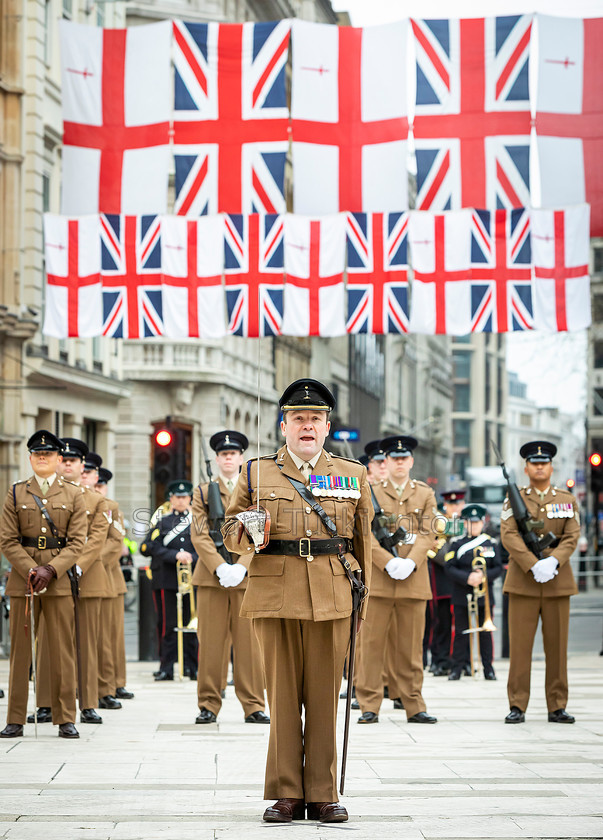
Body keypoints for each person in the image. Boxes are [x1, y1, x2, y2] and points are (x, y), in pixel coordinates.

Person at [224, 378, 372, 824]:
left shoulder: (354, 474)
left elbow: (362, 543)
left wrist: (360, 608)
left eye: (315, 419)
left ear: (327, 427)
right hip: (273, 591)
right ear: (283, 425)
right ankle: (287, 792)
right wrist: (247, 528)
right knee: (283, 696)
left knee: (326, 696)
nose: (307, 426)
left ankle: (324, 794)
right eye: (298, 418)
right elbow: (229, 536)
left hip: (332, 594)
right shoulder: (254, 472)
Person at [0, 431, 87, 739]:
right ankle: (15, 719)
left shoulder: (74, 493)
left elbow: (78, 542)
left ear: (58, 460)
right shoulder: (16, 492)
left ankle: (65, 717)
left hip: (59, 581)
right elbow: (7, 540)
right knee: (20, 653)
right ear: (30, 459)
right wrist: (31, 569)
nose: (42, 458)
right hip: (24, 580)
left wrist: (51, 569)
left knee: (62, 650)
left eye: (48, 455)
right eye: (37, 455)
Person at [355, 434, 438, 725]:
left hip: (413, 582)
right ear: (385, 462)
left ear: (411, 462)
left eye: (404, 459)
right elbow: (363, 534)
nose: (399, 463)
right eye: (394, 459)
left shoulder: (425, 494)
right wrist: (387, 561)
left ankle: (414, 704)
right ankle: (369, 704)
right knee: (371, 647)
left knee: (411, 649)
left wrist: (410, 562)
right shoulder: (371, 491)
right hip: (380, 580)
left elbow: (429, 532)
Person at [190, 430, 268, 725]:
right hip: (212, 579)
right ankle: (209, 704)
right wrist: (219, 567)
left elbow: (259, 534)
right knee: (211, 644)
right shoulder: (202, 492)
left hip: (246, 579)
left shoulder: (254, 492)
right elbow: (199, 535)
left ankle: (254, 705)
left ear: (241, 459)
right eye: (223, 455)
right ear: (216, 459)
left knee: (249, 645)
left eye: (233, 454)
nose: (228, 459)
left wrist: (242, 566)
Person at [500, 440, 580, 724]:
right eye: (534, 463)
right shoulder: (514, 498)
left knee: (557, 648)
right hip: (524, 581)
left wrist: (553, 561)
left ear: (551, 466)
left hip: (558, 582)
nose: (539, 466)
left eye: (543, 462)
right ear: (526, 467)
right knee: (520, 648)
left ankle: (557, 705)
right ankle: (517, 705)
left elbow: (572, 535)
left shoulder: (566, 499)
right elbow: (508, 534)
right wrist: (533, 564)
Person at [147, 480, 198, 681]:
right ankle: (166, 667)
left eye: (184, 497)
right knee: (168, 624)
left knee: (192, 623)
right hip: (168, 579)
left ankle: (192, 666)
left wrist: (192, 557)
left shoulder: (198, 522)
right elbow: (151, 546)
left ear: (190, 499)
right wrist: (175, 555)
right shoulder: (162, 522)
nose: (181, 500)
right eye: (177, 497)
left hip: (191, 579)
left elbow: (206, 547)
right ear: (171, 499)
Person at [445, 504, 502, 680]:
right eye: (471, 523)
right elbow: (449, 567)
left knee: (485, 633)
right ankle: (457, 668)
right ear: (465, 523)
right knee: (461, 632)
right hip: (462, 593)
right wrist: (467, 577)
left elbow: (498, 567)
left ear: (482, 523)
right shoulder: (456, 543)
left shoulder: (490, 543)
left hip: (484, 595)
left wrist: (483, 576)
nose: (474, 526)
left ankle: (488, 668)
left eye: (477, 523)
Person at [96, 467, 134, 702]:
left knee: (112, 637)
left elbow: (115, 542)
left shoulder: (112, 508)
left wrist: (89, 560)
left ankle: (115, 683)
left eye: (101, 485)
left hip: (109, 576)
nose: (97, 489)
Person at [424, 489, 465, 676]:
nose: (455, 507)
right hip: (441, 579)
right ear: (445, 506)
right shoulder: (438, 522)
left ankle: (461, 660)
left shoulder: (468, 523)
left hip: (462, 579)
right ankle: (439, 660)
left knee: (462, 623)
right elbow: (433, 550)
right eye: (451, 505)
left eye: (458, 504)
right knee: (440, 621)